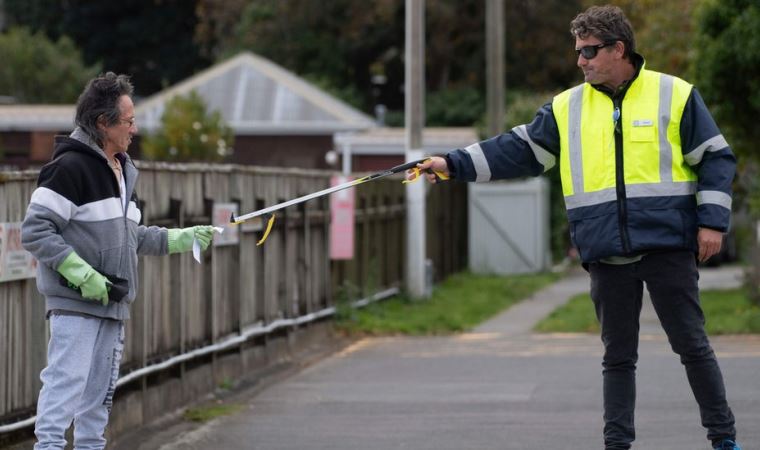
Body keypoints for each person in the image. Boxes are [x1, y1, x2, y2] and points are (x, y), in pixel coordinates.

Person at [411, 5, 740, 450]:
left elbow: (716, 158)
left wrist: (712, 223)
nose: (580, 61)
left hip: (668, 245)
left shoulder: (674, 94)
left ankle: (723, 440)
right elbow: (517, 150)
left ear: (618, 49)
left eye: (589, 51)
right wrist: (452, 164)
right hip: (604, 249)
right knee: (618, 359)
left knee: (693, 348)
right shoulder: (566, 108)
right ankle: (617, 445)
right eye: (578, 52)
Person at [21, 72, 216, 450]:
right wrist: (84, 277)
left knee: (98, 406)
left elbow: (133, 237)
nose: (135, 129)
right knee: (65, 388)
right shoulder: (69, 169)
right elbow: (35, 231)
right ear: (103, 124)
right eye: (128, 121)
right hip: (76, 306)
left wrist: (182, 238)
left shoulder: (123, 172)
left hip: (114, 304)